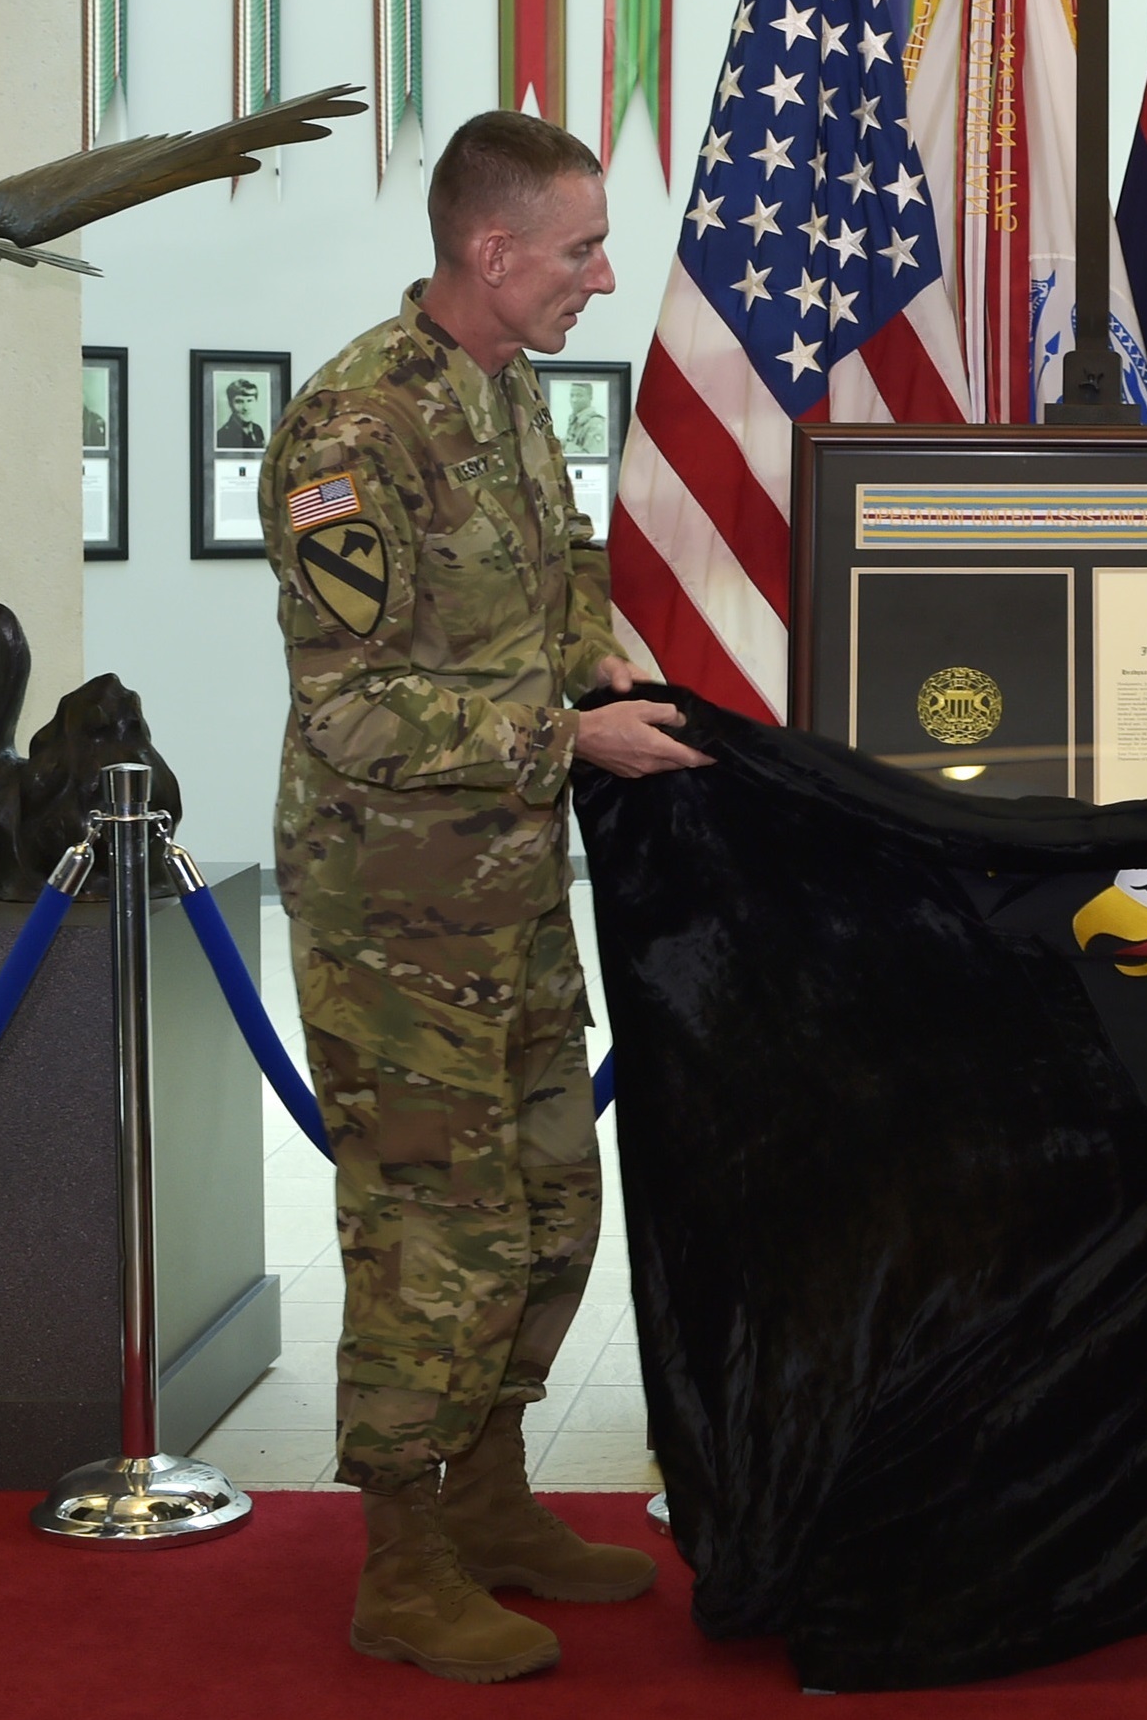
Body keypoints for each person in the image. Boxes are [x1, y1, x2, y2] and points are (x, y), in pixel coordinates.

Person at [259, 108, 710, 1685]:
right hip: (395, 914)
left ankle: (498, 1501)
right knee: (428, 1237)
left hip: (510, 892)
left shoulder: (507, 397)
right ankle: (401, 1562)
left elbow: (556, 562)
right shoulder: (348, 433)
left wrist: (591, 641)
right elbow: (351, 709)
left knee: (544, 1209)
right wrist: (564, 731)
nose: (601, 273)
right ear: (492, 249)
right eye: (580, 249)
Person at [217, 376, 265, 449]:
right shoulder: (223, 435)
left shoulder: (257, 430)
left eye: (249, 401)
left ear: (256, 402)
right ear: (230, 404)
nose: (245, 407)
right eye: (239, 402)